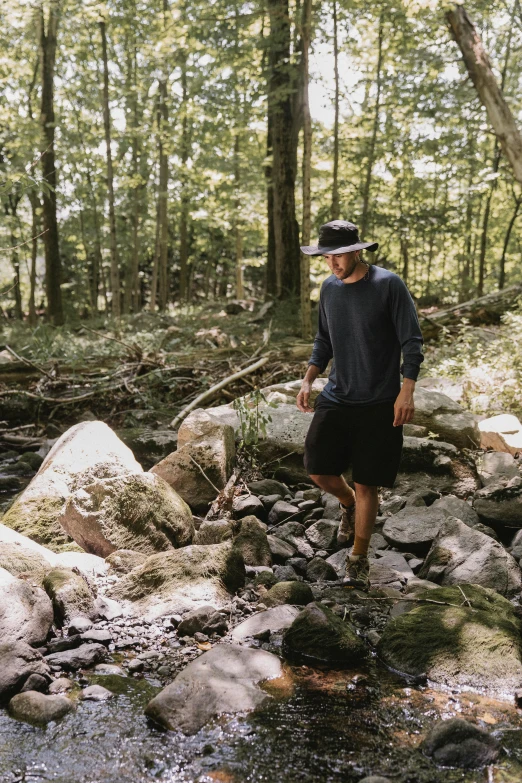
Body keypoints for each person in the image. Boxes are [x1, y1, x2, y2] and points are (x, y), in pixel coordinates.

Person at [297, 220, 424, 590]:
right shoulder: (330, 290)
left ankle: (358, 559)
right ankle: (348, 504)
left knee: (369, 483)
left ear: (357, 251)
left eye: (338, 256)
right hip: (338, 394)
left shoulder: (388, 285)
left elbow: (411, 341)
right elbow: (324, 341)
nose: (332, 264)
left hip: (381, 400)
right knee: (318, 469)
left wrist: (407, 390)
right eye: (325, 257)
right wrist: (308, 379)